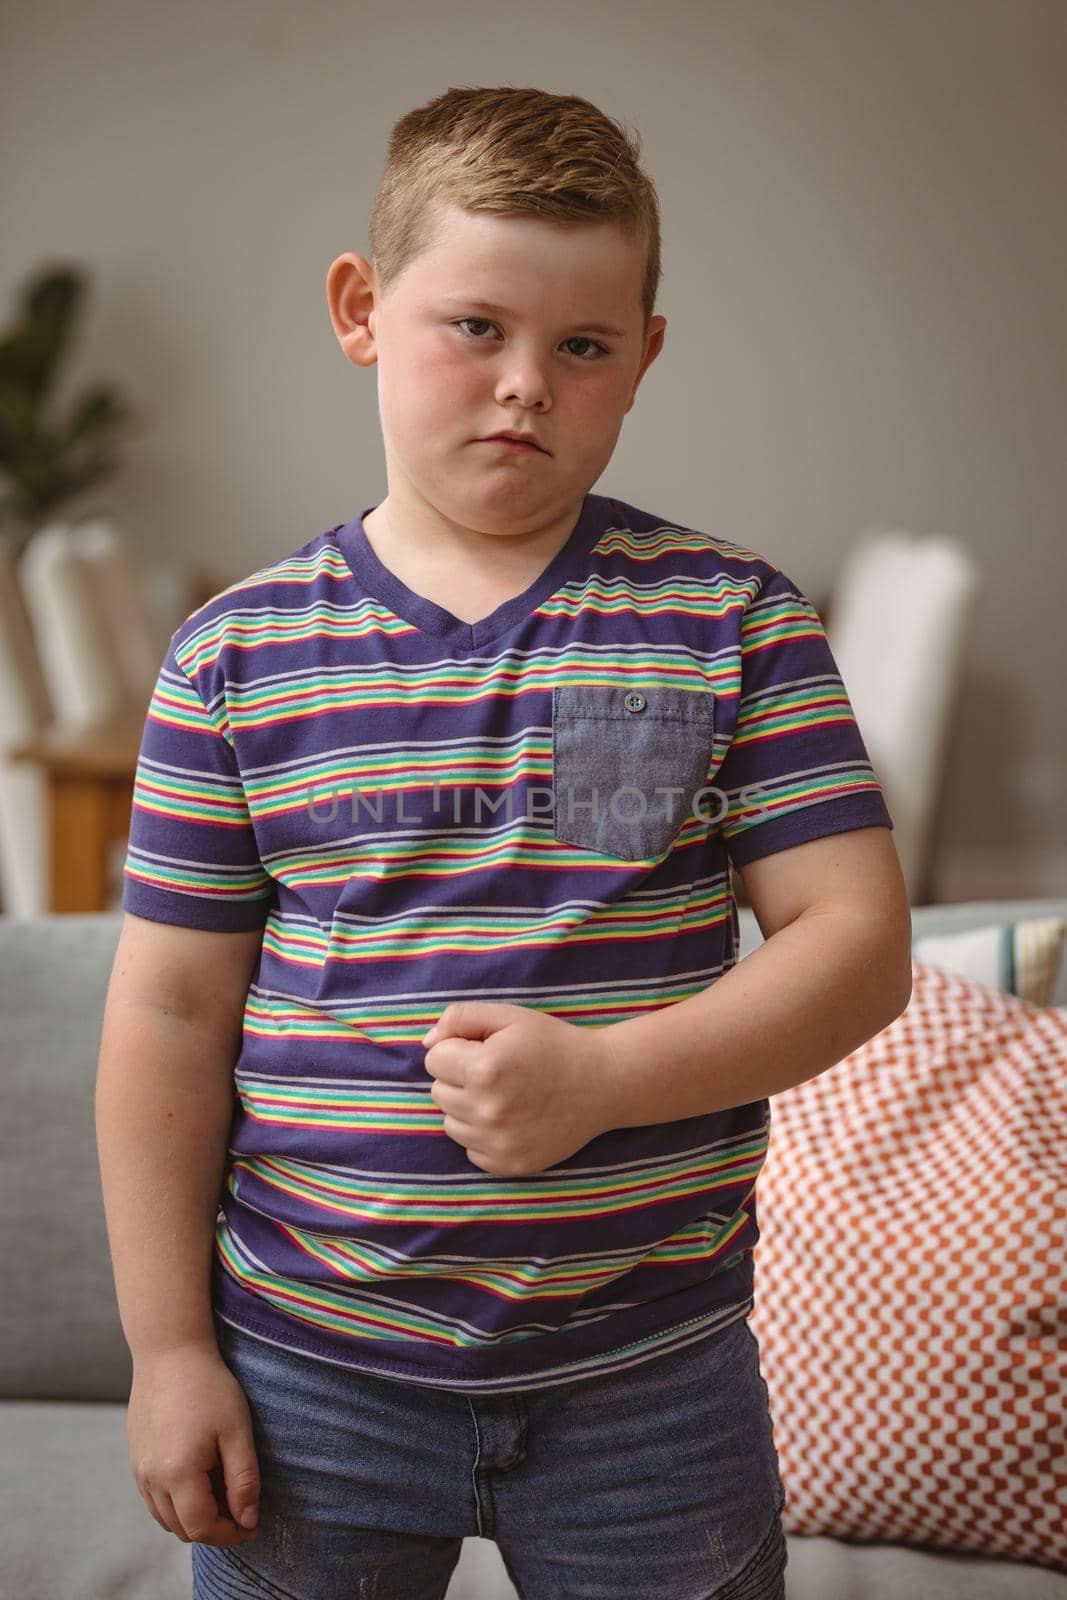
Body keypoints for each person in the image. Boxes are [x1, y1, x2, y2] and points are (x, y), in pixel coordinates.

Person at [95, 84, 912, 1600]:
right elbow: (168, 1009)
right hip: (310, 1371)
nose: (526, 384)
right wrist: (165, 1351)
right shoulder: (235, 656)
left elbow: (858, 951)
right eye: (476, 327)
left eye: (582, 346)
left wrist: (606, 1080)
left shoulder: (732, 622)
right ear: (362, 309)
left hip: (651, 1376)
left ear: (643, 358)